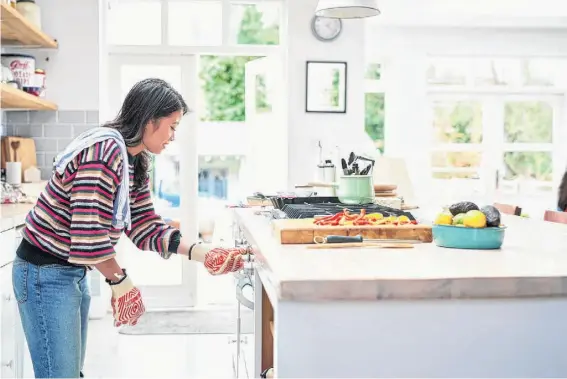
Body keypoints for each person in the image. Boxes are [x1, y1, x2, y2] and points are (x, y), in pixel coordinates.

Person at [11, 78, 249, 379]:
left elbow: (144, 226)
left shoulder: (132, 158)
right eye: (172, 126)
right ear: (150, 121)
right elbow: (89, 234)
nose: (173, 136)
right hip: (43, 274)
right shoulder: (104, 150)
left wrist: (203, 252)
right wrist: (120, 282)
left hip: (69, 272)